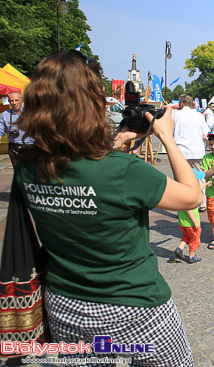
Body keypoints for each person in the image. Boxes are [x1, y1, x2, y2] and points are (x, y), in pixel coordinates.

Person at [15, 50, 201, 365]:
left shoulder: (27, 167)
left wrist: (120, 140)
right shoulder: (122, 170)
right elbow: (191, 196)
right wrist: (166, 138)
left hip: (66, 304)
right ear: (89, 103)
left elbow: (77, 161)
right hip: (135, 304)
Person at [173, 94, 210, 210]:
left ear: (181, 103)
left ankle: (182, 205)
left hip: (180, 151)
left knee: (180, 179)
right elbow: (205, 135)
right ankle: (202, 202)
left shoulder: (175, 114)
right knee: (200, 177)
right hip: (196, 151)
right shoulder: (199, 116)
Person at [174, 170, 211, 264]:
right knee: (195, 239)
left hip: (183, 223)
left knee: (186, 236)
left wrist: (206, 184)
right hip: (191, 223)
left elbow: (198, 189)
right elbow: (188, 209)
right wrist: (195, 221)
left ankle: (180, 248)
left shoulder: (184, 190)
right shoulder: (190, 195)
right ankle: (192, 256)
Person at [0, 91, 34, 165]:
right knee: (18, 173)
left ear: (22, 101)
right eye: (11, 101)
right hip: (14, 148)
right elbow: (0, 131)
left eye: (16, 100)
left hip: (31, 147)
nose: (14, 103)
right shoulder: (4, 115)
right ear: (9, 102)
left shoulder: (31, 113)